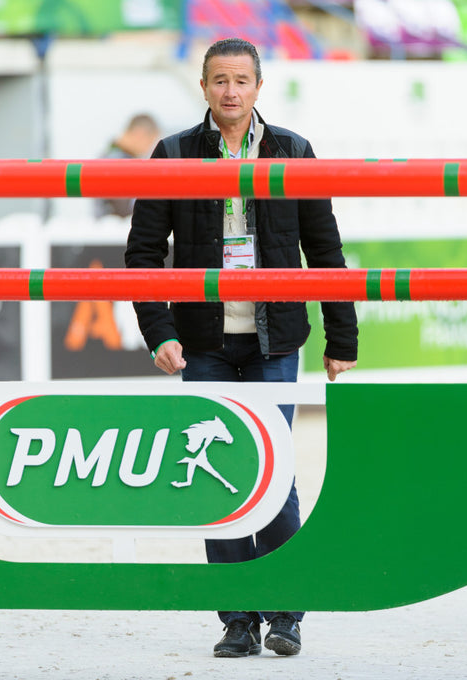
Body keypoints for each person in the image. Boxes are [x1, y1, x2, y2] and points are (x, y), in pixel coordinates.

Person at [125, 38, 358, 658]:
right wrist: (161, 332)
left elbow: (325, 251)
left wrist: (343, 336)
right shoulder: (173, 153)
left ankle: (286, 607)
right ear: (203, 87)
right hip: (201, 342)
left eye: (241, 80)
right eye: (219, 80)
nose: (231, 90)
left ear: (259, 87)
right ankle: (237, 619)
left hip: (275, 340)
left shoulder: (293, 150)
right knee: (219, 480)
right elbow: (142, 256)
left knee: (270, 470)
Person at [95, 113, 160, 218]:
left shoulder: (110, 155)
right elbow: (125, 209)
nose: (149, 149)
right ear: (139, 134)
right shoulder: (118, 162)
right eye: (150, 142)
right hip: (116, 230)